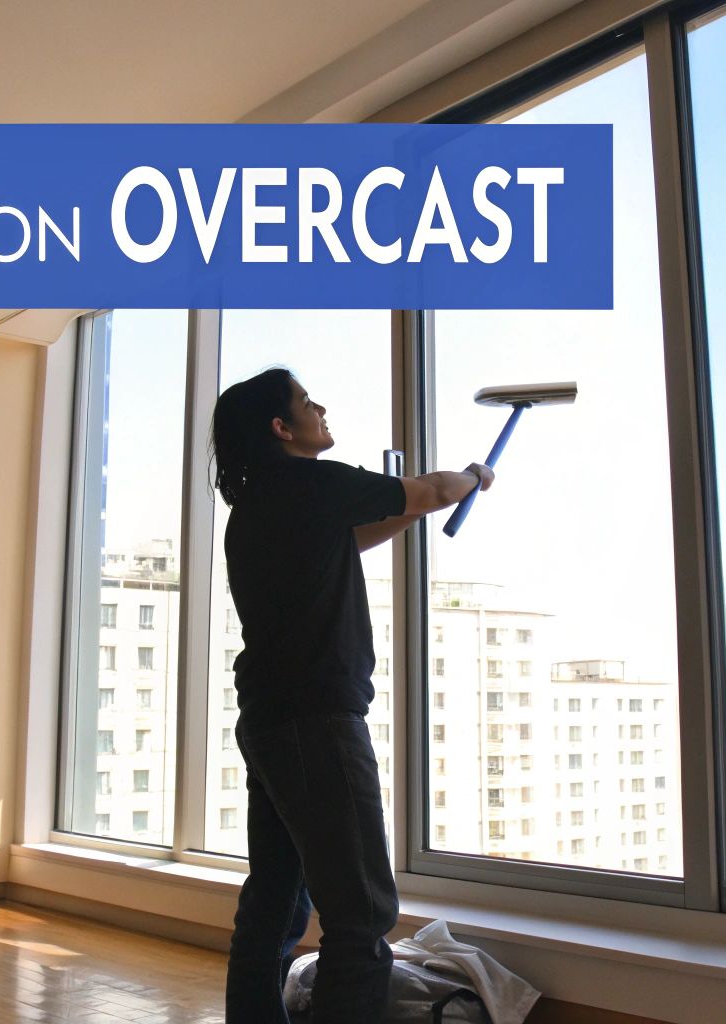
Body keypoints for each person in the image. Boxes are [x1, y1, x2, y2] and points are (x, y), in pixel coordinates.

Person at [213, 367, 494, 1024]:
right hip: (317, 722)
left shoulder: (258, 506)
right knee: (361, 912)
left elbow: (358, 533)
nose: (321, 407)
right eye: (307, 403)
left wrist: (420, 503)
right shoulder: (313, 483)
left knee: (277, 904)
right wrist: (472, 478)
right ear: (283, 428)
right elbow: (425, 490)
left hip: (270, 722)